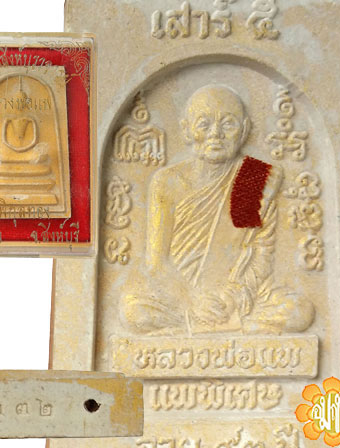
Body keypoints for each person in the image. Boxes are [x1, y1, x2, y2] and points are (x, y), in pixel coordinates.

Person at [122, 84, 314, 335]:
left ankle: (214, 326)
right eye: (204, 124)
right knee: (133, 311)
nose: (216, 134)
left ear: (244, 130)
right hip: (181, 297)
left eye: (228, 124)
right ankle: (228, 327)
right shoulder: (168, 182)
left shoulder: (250, 178)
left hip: (233, 298)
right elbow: (157, 264)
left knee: (299, 311)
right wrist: (191, 299)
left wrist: (234, 295)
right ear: (187, 130)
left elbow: (260, 254)